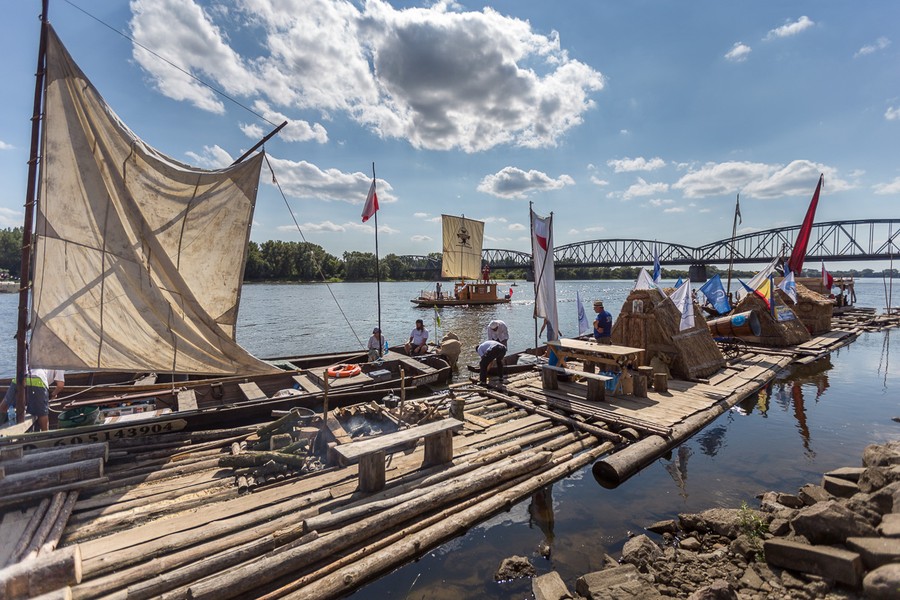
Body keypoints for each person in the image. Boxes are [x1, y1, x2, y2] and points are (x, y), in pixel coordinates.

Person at [0, 367, 64, 431]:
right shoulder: (59, 364)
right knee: (42, 414)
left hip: (20, 377)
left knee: (3, 407)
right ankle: (45, 433)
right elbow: (60, 385)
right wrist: (53, 394)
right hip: (38, 380)